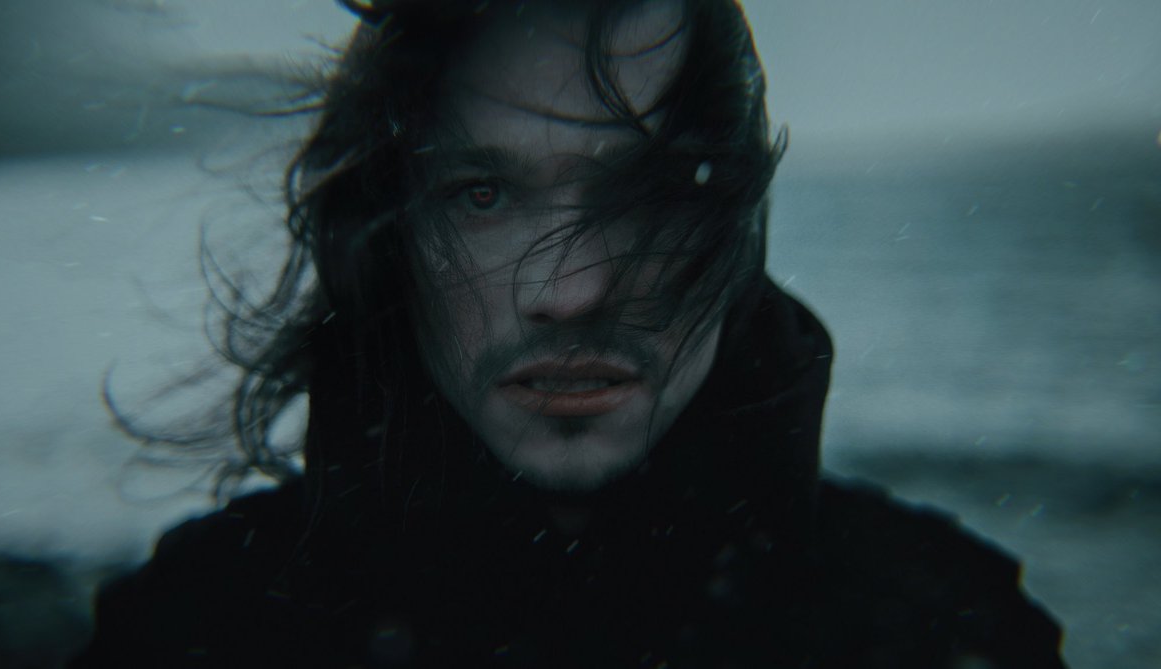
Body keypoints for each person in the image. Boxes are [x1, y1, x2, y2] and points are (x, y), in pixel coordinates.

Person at [71, 0, 1066, 666]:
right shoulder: (199, 630)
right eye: (484, 194)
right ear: (390, 233)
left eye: (648, 195)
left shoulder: (942, 627)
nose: (573, 290)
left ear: (737, 226)